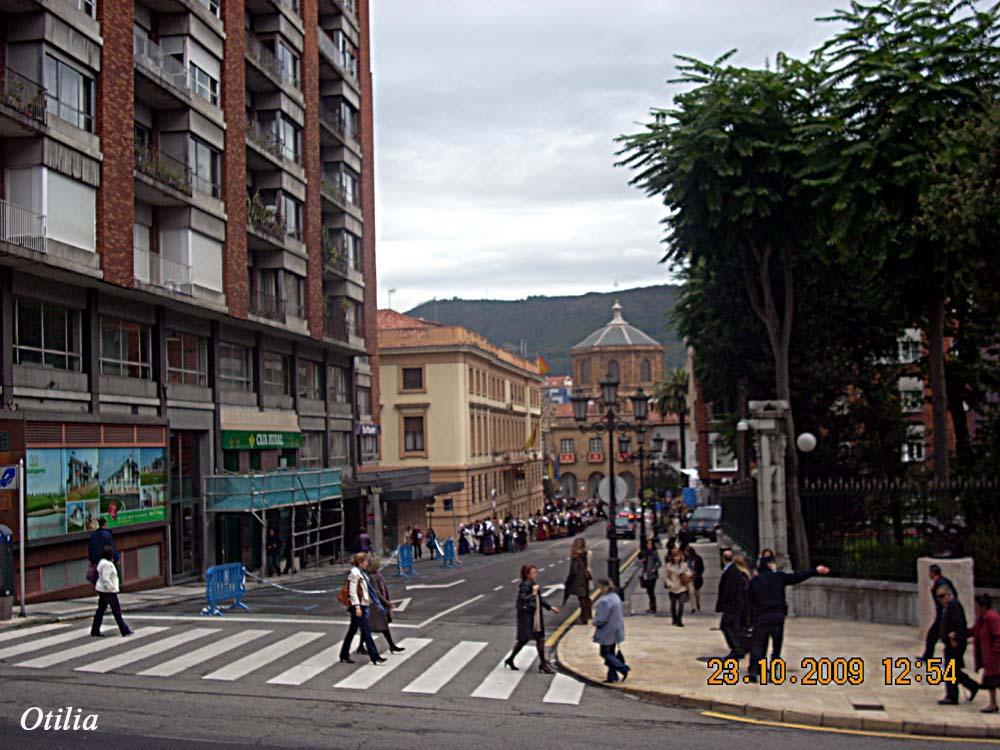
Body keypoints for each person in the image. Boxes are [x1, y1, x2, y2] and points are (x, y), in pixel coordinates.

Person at [747, 549, 829, 682]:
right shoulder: (778, 577)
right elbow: (796, 576)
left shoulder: (755, 581)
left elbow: (750, 600)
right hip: (777, 614)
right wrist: (814, 570)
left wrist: (750, 619)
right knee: (776, 645)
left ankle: (755, 671)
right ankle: (773, 672)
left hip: (762, 615)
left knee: (758, 644)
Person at [504, 564, 559, 673]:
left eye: (535, 572)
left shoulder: (532, 583)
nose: (535, 574)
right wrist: (533, 593)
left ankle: (542, 663)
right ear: (527, 574)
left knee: (539, 639)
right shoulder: (526, 584)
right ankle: (511, 659)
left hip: (534, 615)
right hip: (528, 617)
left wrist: (550, 607)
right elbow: (523, 598)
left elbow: (539, 599)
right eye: (533, 572)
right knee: (524, 640)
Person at [338, 553, 386, 666]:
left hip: (361, 605)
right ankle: (375, 657)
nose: (367, 563)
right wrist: (357, 607)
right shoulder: (355, 574)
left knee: (352, 631)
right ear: (360, 562)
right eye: (365, 561)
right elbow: (353, 592)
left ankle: (344, 654)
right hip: (358, 607)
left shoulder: (361, 573)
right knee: (366, 631)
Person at [937, 585, 979, 705]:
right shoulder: (948, 607)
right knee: (953, 670)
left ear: (948, 595)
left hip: (955, 644)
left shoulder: (954, 606)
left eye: (942, 596)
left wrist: (955, 637)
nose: (940, 599)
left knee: (950, 670)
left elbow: (959, 624)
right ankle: (972, 686)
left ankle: (952, 696)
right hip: (950, 643)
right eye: (938, 597)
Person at [363, 556, 406, 654]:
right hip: (376, 605)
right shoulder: (372, 577)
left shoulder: (376, 575)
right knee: (378, 626)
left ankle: (391, 645)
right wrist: (387, 603)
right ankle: (391, 645)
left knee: (374, 626)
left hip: (377, 604)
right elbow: (376, 592)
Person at [592, 579, 629, 683]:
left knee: (605, 653)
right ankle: (612, 676)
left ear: (604, 587)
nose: (599, 589)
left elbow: (602, 619)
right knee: (611, 652)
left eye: (600, 587)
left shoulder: (604, 601)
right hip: (616, 629)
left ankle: (622, 668)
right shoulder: (615, 597)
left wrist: (594, 621)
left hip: (607, 631)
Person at [90, 545, 132, 638]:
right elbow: (106, 579)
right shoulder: (106, 565)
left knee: (100, 611)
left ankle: (95, 630)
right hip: (108, 592)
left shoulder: (102, 562)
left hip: (103, 590)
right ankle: (124, 630)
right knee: (116, 611)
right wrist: (112, 589)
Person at [920, 563, 957, 661]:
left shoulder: (941, 583)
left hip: (944, 615)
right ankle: (927, 656)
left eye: (929, 572)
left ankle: (929, 657)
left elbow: (947, 598)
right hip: (943, 614)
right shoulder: (942, 581)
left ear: (932, 573)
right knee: (934, 636)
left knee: (937, 636)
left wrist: (946, 611)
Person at [715, 549, 748, 659]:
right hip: (735, 604)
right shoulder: (733, 570)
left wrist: (724, 602)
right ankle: (737, 648)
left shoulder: (731, 571)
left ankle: (736, 648)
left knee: (725, 625)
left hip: (732, 605)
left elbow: (730, 589)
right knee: (733, 626)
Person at [972, 593, 1000, 713]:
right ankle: (993, 704)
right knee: (991, 682)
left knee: (995, 680)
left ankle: (993, 704)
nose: (975, 610)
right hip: (988, 658)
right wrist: (958, 635)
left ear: (983, 607)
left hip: (996, 658)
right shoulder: (981, 619)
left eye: (977, 607)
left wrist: (995, 652)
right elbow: (973, 631)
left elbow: (999, 636)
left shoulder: (992, 618)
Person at [563, 538, 593, 624]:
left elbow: (573, 570)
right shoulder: (587, 553)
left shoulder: (575, 556)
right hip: (585, 578)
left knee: (582, 599)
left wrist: (569, 581)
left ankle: (584, 618)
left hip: (578, 580)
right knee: (585, 597)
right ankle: (588, 615)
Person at [663, 546, 691, 627]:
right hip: (672, 588)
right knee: (673, 605)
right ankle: (674, 618)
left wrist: (685, 575)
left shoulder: (684, 565)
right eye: (675, 556)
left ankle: (679, 620)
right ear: (672, 557)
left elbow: (689, 573)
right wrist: (669, 583)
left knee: (681, 605)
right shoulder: (669, 566)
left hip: (682, 587)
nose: (677, 558)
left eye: (678, 556)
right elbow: (666, 577)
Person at [638, 538, 660, 614]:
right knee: (649, 591)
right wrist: (643, 561)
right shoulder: (645, 553)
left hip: (653, 575)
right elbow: (641, 562)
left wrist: (654, 568)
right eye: (648, 544)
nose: (649, 545)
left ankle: (653, 607)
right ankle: (651, 606)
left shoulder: (654, 552)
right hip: (646, 574)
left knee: (651, 591)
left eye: (650, 544)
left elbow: (659, 562)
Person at [685, 546, 705, 613]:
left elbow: (702, 568)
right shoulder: (687, 559)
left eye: (687, 552)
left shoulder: (698, 558)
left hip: (696, 578)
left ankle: (697, 603)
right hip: (689, 578)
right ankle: (693, 607)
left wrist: (696, 573)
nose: (686, 553)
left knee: (696, 593)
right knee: (691, 592)